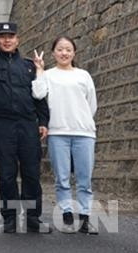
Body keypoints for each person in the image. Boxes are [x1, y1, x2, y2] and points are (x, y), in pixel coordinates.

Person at [0, 0, 51, 234]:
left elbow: (39, 95)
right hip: (4, 125)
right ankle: (10, 219)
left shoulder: (28, 65)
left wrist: (43, 121)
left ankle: (34, 219)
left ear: (17, 39)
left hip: (28, 124)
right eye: (2, 37)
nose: (7, 41)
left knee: (32, 174)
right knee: (6, 175)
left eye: (11, 37)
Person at [33, 36, 99, 235]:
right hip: (58, 132)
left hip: (83, 132)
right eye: (60, 49)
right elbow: (38, 94)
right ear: (53, 53)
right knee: (61, 178)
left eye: (68, 49)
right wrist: (39, 70)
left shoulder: (83, 75)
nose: (64, 53)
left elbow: (91, 104)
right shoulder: (48, 75)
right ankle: (67, 215)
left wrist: (82, 120)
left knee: (84, 178)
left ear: (74, 53)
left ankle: (85, 217)